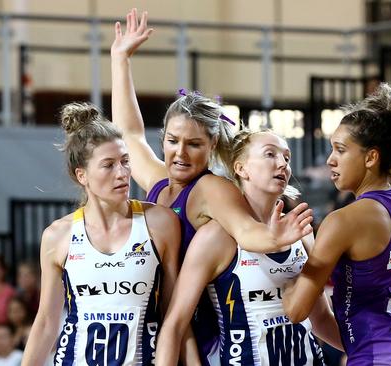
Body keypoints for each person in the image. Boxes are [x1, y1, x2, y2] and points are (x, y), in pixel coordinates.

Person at [110, 9, 313, 363]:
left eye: (195, 145)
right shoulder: (159, 183)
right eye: (173, 141)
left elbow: (246, 230)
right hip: (158, 323)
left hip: (198, 333)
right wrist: (120, 59)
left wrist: (278, 238)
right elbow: (129, 133)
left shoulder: (210, 190)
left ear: (211, 147)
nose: (181, 153)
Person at [282, 83, 391, 364]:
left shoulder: (342, 221)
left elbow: (297, 310)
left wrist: (285, 280)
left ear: (371, 157)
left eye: (340, 150)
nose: (330, 160)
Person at [156, 129, 341, 365]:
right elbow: (175, 325)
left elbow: (321, 319)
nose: (282, 164)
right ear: (241, 168)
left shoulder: (299, 233)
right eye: (270, 154)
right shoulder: (217, 236)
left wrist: (372, 350)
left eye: (286, 157)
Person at [22, 102, 183, 365]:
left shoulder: (160, 223)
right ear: (82, 175)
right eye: (108, 165)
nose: (122, 173)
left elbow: (174, 314)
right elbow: (47, 322)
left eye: (125, 161)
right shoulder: (58, 236)